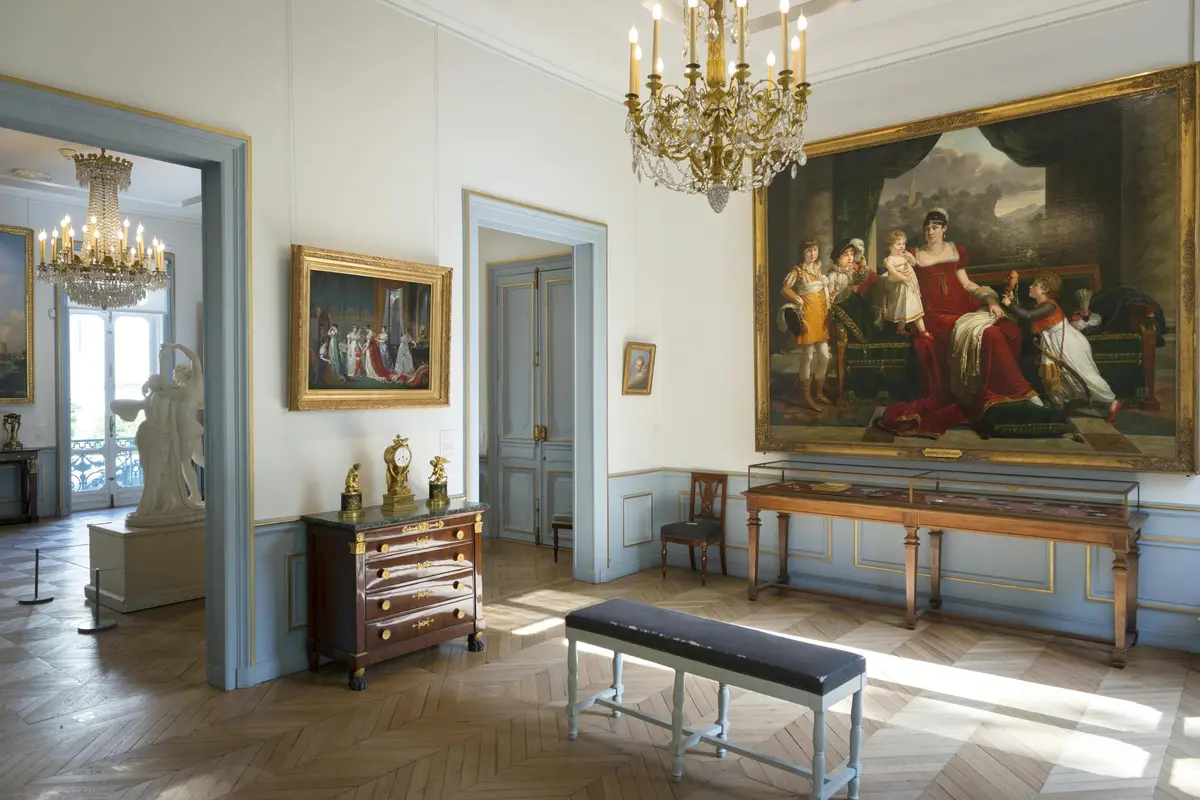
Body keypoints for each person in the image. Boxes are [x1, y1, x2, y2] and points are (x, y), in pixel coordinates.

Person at [878, 207, 1042, 437]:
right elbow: (893, 279)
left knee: (1004, 327)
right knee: (989, 334)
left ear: (945, 229)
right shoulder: (912, 254)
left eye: (935, 227)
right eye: (927, 228)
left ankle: (1003, 392)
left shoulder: (956, 251)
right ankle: (1020, 391)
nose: (930, 231)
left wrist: (991, 300)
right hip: (935, 316)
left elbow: (967, 285)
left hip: (965, 308)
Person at [1002, 271, 1120, 422]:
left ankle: (1112, 402)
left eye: (1035, 285)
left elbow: (1029, 315)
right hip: (1053, 342)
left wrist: (1010, 304)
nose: (1030, 287)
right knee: (1055, 375)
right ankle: (1059, 405)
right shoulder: (1042, 305)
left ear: (1045, 290)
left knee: (1081, 373)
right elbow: (1028, 312)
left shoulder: (1049, 306)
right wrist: (1014, 302)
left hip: (1067, 343)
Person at [779, 236, 832, 411]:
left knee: (825, 356)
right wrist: (798, 299)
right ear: (802, 253)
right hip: (807, 318)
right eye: (808, 250)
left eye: (815, 250)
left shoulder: (817, 270)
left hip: (820, 318)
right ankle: (807, 396)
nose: (812, 254)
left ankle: (819, 392)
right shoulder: (798, 271)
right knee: (808, 356)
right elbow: (785, 288)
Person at [880, 228, 928, 337]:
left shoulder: (903, 255)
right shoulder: (889, 260)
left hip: (910, 286)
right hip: (900, 286)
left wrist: (910, 257)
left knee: (914, 305)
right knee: (903, 306)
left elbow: (914, 263)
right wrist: (904, 278)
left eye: (903, 244)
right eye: (898, 244)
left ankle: (922, 331)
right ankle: (903, 329)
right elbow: (893, 273)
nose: (902, 246)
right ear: (890, 246)